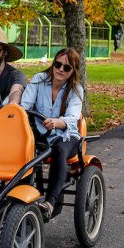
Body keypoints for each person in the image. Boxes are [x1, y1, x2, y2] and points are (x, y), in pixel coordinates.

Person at [20, 48, 84, 220]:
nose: (60, 70)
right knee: (21, 149)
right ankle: (19, 198)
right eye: (58, 64)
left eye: (66, 67)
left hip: (66, 134)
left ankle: (50, 202)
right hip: (40, 132)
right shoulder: (39, 79)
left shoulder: (76, 89)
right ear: (53, 63)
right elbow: (24, 106)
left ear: (73, 71)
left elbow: (73, 117)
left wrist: (57, 122)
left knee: (59, 150)